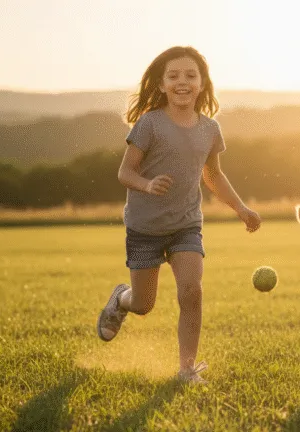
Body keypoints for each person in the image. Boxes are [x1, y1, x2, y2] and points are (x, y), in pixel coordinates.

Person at [97, 46, 261, 384]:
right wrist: (147, 184)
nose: (182, 82)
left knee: (192, 291)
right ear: (161, 84)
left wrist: (241, 209)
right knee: (143, 305)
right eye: (173, 76)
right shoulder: (150, 124)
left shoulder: (210, 130)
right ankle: (121, 299)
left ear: (202, 84)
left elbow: (213, 175)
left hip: (186, 226)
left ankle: (187, 369)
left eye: (190, 75)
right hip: (144, 228)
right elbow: (125, 173)